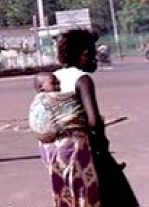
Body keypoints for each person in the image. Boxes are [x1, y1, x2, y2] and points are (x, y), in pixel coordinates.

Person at [43, 28, 138, 206]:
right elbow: (93, 121)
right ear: (81, 55)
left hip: (60, 154)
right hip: (87, 152)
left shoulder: (53, 78)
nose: (95, 59)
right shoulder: (82, 80)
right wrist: (103, 149)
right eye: (91, 54)